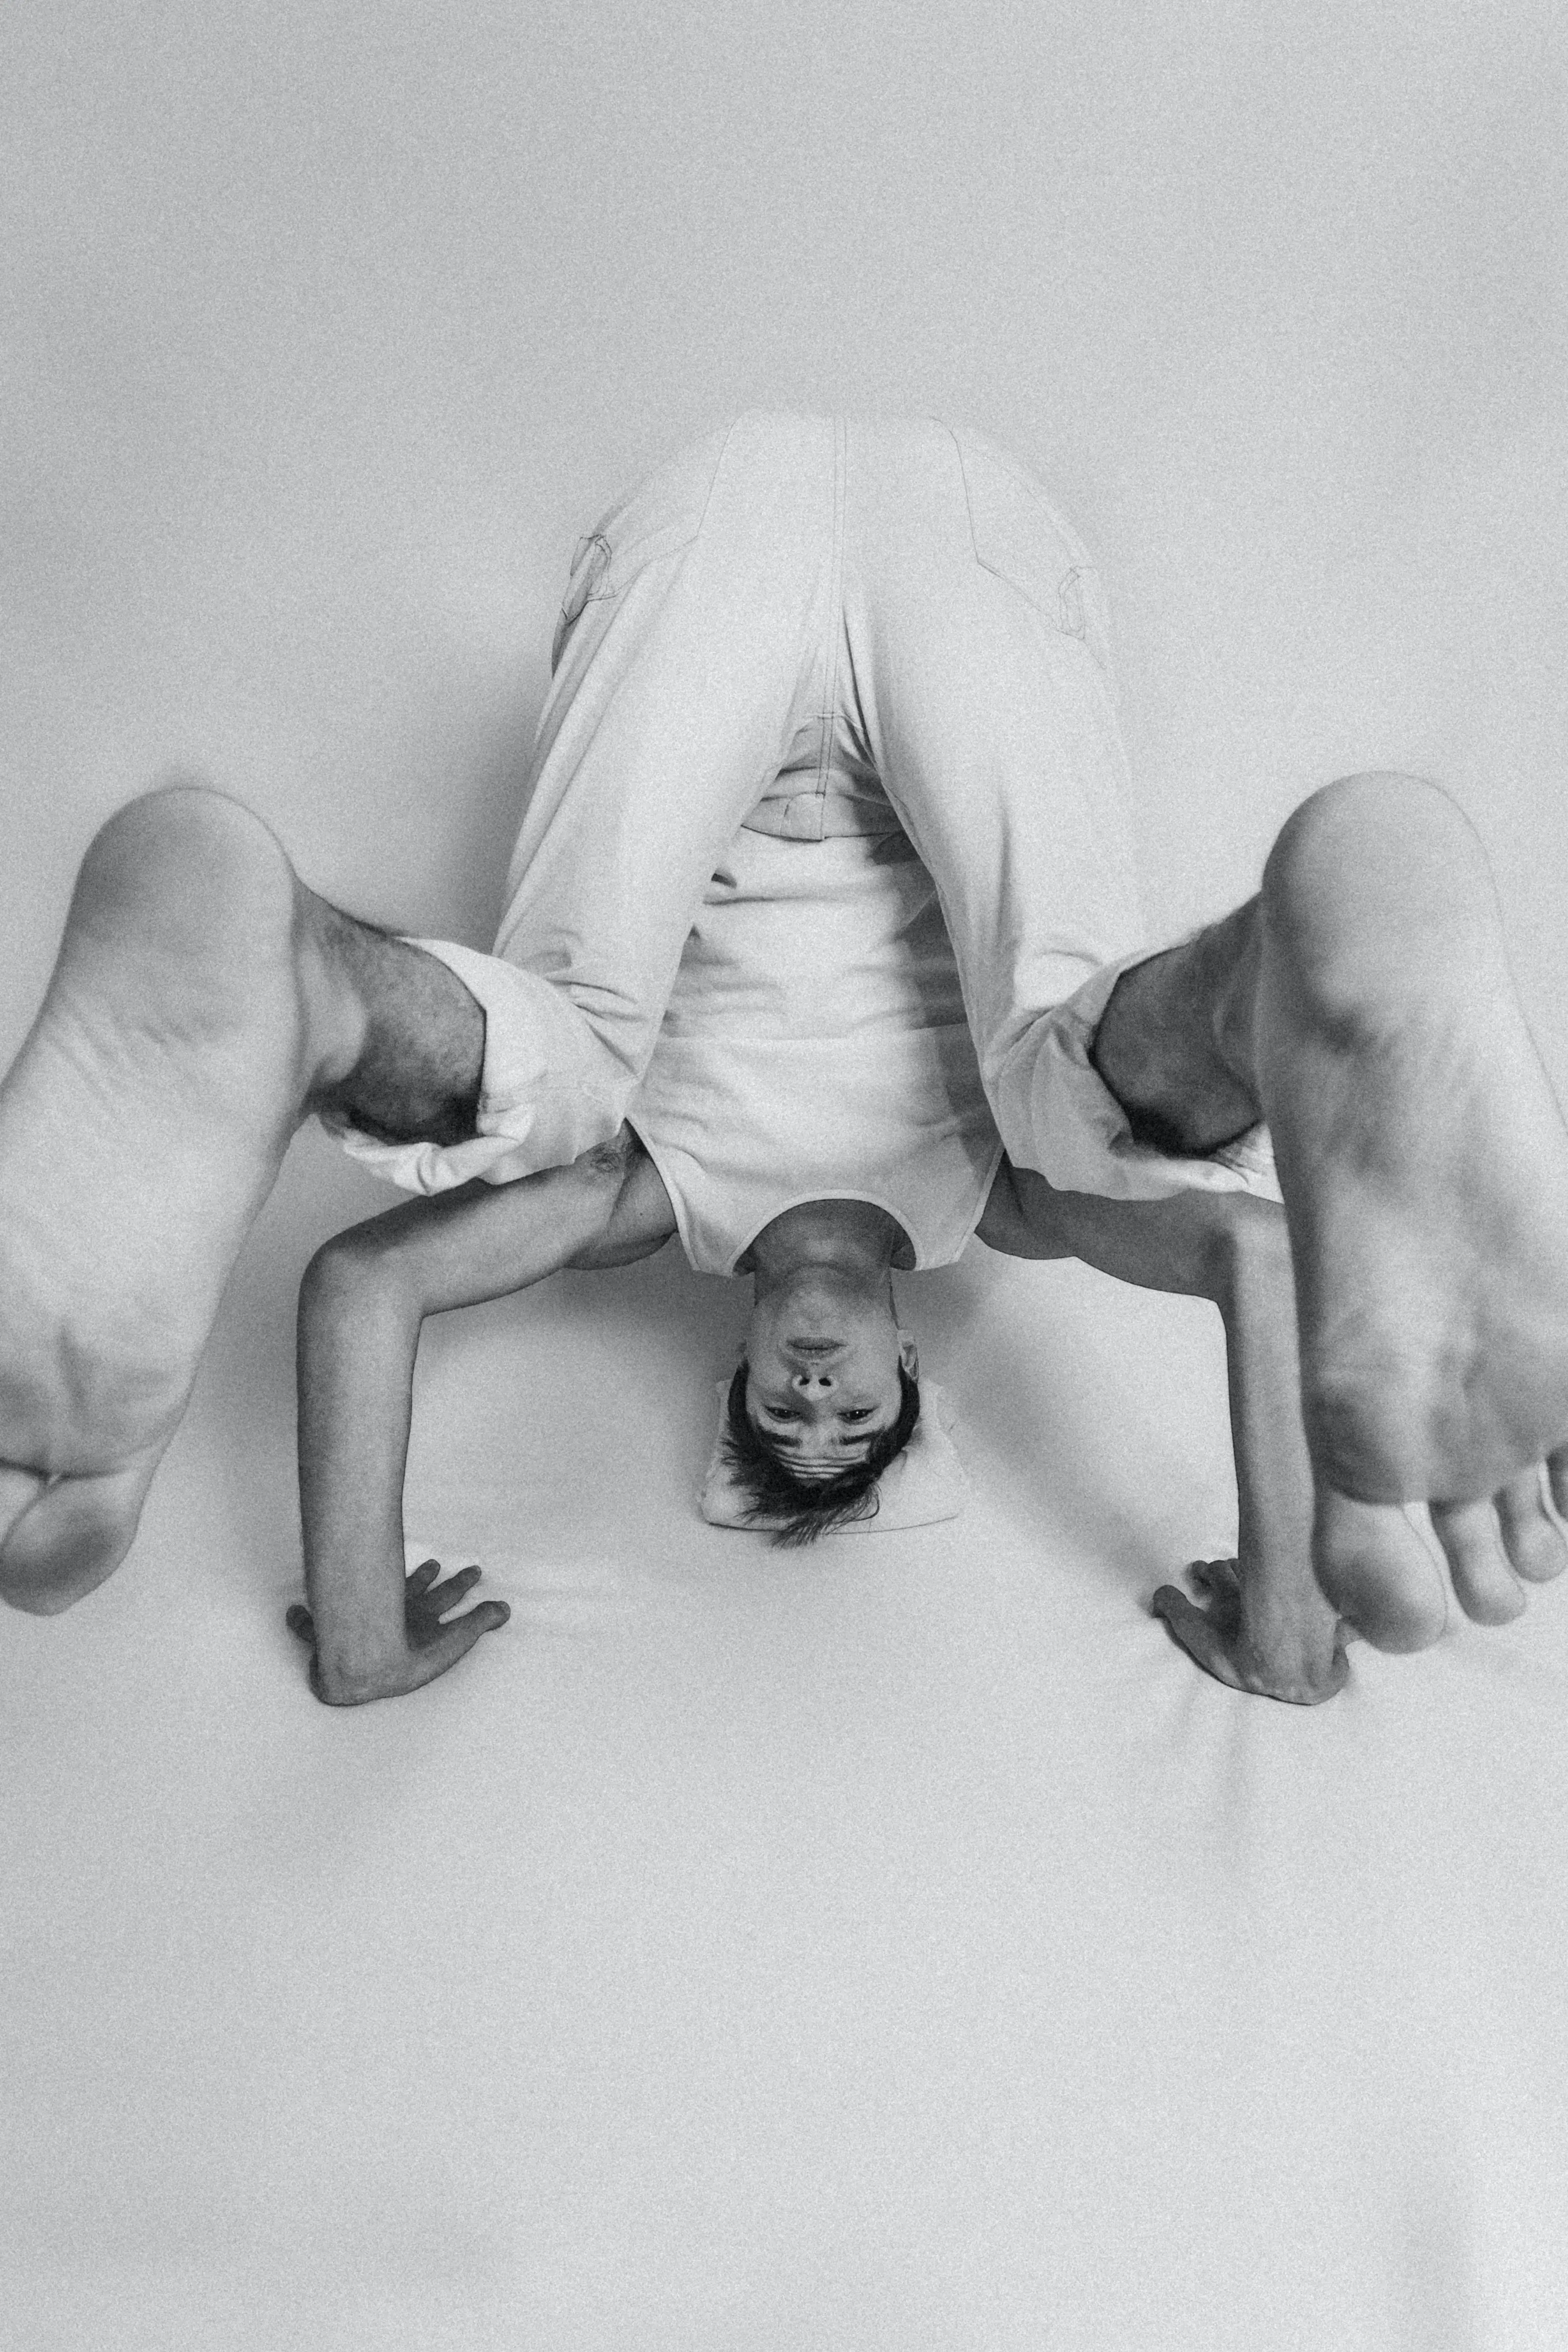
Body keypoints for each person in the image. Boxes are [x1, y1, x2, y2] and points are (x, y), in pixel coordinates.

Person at [4, 414, 1567, 1700]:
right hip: (971, 550)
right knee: (1065, 1091)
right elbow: (1264, 1261)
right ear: (910, 1372)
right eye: (855, 1421)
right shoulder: (998, 1206)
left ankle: (292, 980)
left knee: (574, 1070)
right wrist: (1287, 1613)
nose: (817, 1399)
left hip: (714, 545)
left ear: (737, 1368)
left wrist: (360, 1635)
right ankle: (1279, 985)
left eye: (782, 1416)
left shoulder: (651, 1205)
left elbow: (363, 1284)